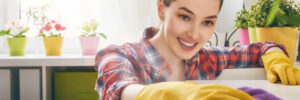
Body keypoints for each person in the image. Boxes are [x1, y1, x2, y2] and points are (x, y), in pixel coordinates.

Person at [94, 0, 300, 100]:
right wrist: (173, 94)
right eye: (185, 17)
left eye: (207, 22)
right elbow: (118, 89)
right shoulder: (121, 56)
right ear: (161, 9)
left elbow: (263, 48)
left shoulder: (205, 59)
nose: (194, 34)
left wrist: (275, 57)